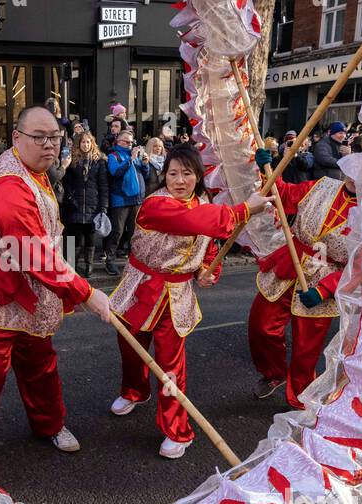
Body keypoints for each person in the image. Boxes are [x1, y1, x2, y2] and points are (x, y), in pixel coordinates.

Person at [0, 105, 114, 467]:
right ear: (16, 138)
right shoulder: (8, 186)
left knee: (40, 362)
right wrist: (86, 293)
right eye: (39, 137)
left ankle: (49, 424)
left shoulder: (34, 170)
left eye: (54, 137)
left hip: (31, 286)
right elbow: (34, 251)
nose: (49, 145)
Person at [108, 147, 273, 458]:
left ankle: (176, 429)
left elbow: (209, 246)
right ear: (164, 175)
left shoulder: (204, 204)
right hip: (140, 288)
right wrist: (243, 210)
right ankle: (134, 391)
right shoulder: (155, 205)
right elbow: (195, 221)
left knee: (171, 367)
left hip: (177, 295)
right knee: (131, 347)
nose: (179, 180)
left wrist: (208, 270)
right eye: (172, 173)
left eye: (187, 173)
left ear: (198, 176)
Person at [249, 145, 358, 407]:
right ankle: (274, 374)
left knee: (305, 350)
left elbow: (361, 265)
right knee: (261, 326)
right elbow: (284, 194)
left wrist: (325, 289)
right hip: (291, 263)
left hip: (325, 280)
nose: (354, 177)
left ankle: (301, 397)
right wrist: (269, 172)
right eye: (352, 169)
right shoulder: (322, 185)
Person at [61, 129, 109, 277]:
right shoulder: (71, 160)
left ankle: (89, 266)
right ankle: (70, 266)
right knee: (73, 238)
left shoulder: (99, 161)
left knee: (90, 238)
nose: (85, 144)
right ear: (78, 143)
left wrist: (103, 206)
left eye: (88, 142)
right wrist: (70, 198)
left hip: (92, 204)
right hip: (74, 205)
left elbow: (103, 185)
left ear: (92, 143)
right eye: (83, 142)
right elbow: (66, 183)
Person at [104, 129, 145, 274]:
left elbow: (143, 175)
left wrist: (145, 164)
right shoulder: (113, 156)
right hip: (120, 200)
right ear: (118, 142)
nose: (129, 144)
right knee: (117, 232)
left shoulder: (135, 156)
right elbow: (115, 172)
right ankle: (110, 261)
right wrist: (130, 159)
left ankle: (133, 262)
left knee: (134, 233)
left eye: (131, 142)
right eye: (126, 142)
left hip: (137, 200)